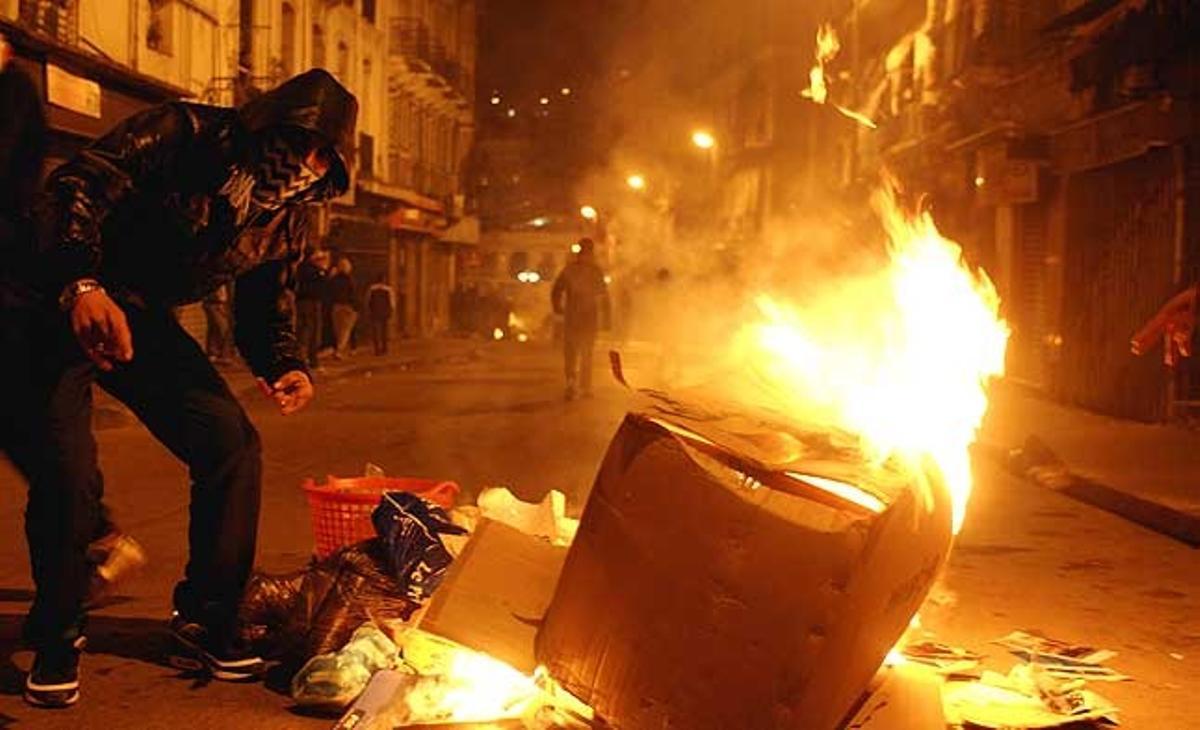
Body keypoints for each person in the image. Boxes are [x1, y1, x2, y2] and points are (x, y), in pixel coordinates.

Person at [14, 68, 357, 708]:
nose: (304, 168)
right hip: (53, 301)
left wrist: (286, 362)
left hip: (140, 316)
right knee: (68, 473)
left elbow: (265, 306)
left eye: (321, 161)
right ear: (271, 127)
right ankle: (58, 631)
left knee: (229, 441)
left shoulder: (283, 214)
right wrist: (80, 284)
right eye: (302, 146)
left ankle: (206, 616)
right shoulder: (182, 131)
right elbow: (77, 186)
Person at [551, 237, 611, 400]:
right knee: (581, 351)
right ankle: (577, 384)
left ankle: (576, 384)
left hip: (579, 316)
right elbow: (604, 296)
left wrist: (558, 308)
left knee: (581, 351)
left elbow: (556, 290)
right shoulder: (593, 271)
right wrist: (607, 319)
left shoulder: (573, 270)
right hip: (584, 316)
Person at [295, 248, 330, 368]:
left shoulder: (299, 268)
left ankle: (300, 357)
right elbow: (323, 283)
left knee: (302, 330)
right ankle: (312, 359)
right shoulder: (313, 270)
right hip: (312, 301)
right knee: (313, 331)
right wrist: (323, 271)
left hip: (301, 301)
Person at [328, 255, 358, 359]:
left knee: (337, 330)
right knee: (345, 330)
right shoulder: (349, 279)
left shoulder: (334, 279)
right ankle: (339, 350)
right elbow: (352, 293)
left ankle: (338, 349)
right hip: (347, 306)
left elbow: (329, 291)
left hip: (336, 306)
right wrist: (355, 306)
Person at [202, 284, 233, 364]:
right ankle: (221, 354)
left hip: (222, 303)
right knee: (222, 327)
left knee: (215, 327)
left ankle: (217, 353)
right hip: (212, 303)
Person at [365, 273, 395, 355]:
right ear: (384, 280)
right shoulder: (388, 289)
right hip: (385, 312)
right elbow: (392, 302)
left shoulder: (372, 289)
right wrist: (391, 311)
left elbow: (368, 300)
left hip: (374, 311)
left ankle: (377, 349)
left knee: (376, 331)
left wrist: (368, 309)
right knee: (384, 331)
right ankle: (385, 348)